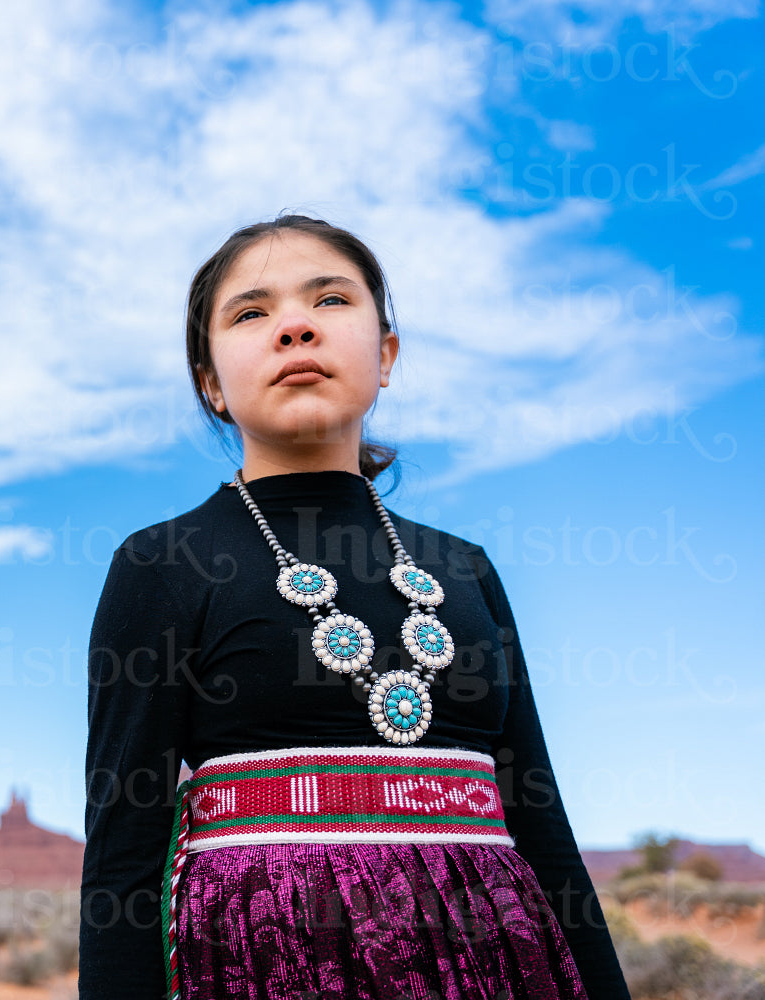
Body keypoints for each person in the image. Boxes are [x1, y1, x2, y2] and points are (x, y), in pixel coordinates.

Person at [79, 214, 631, 999]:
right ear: (211, 382)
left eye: (330, 300)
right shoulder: (161, 565)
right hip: (271, 972)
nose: (295, 326)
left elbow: (542, 824)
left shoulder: (464, 570)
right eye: (250, 312)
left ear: (386, 356)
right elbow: (122, 856)